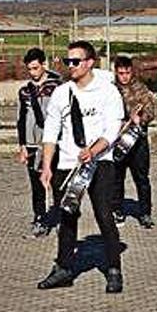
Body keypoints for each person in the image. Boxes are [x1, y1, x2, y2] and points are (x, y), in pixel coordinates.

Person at [37, 41, 125, 293]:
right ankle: (64, 268)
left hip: (100, 162)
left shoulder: (107, 92)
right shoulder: (61, 93)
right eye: (68, 61)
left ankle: (113, 268)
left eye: (75, 61)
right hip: (67, 163)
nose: (70, 66)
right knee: (66, 215)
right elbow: (51, 132)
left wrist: (93, 151)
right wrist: (46, 166)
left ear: (89, 62)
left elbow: (112, 129)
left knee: (104, 215)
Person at [17, 47, 62, 238]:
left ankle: (61, 218)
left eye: (35, 68)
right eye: (30, 69)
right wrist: (22, 146)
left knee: (58, 183)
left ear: (44, 65)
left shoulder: (58, 87)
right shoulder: (25, 91)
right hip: (32, 143)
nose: (32, 73)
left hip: (54, 143)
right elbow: (20, 119)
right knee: (36, 185)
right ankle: (40, 218)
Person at [112, 55, 156, 229]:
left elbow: (150, 111)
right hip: (118, 141)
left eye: (127, 73)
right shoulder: (111, 90)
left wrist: (140, 119)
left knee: (142, 178)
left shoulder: (141, 89)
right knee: (116, 179)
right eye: (121, 73)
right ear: (116, 72)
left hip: (138, 141)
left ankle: (145, 212)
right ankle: (118, 211)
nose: (124, 76)